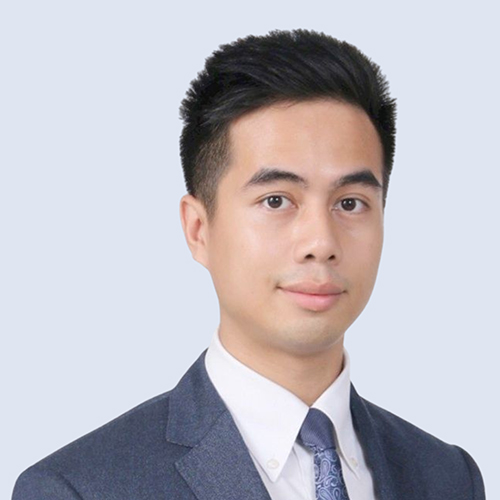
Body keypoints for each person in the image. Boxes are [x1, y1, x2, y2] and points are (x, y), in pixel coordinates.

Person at [12, 29, 485, 500]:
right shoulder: (78, 488)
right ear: (199, 229)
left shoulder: (448, 476)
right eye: (276, 200)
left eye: (351, 203)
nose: (321, 243)